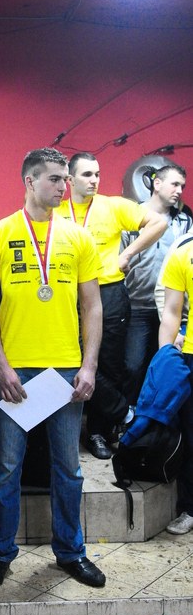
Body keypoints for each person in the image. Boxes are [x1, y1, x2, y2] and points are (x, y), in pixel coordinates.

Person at [0, 147, 105, 589]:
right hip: (16, 372)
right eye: (54, 179)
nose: (63, 186)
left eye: (65, 179)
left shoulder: (78, 238)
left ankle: (71, 552)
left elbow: (93, 307)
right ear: (30, 181)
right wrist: (1, 366)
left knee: (69, 468)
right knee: (7, 467)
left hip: (66, 373)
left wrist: (89, 366)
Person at [58, 152, 167, 460]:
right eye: (87, 175)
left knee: (109, 364)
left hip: (108, 291)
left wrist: (127, 254)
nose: (94, 180)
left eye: (97, 174)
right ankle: (122, 413)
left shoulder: (113, 206)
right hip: (68, 294)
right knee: (73, 359)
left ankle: (98, 432)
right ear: (70, 179)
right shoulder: (56, 211)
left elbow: (157, 223)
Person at [122, 164, 191, 405]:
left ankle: (159, 419)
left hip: (174, 309)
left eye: (182, 186)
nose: (179, 190)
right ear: (157, 184)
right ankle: (128, 416)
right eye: (175, 184)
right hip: (137, 305)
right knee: (133, 367)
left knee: (167, 366)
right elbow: (119, 259)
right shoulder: (131, 216)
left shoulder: (185, 222)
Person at [159, 235, 193, 535]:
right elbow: (171, 310)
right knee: (191, 436)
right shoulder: (185, 253)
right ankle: (189, 508)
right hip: (191, 354)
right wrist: (164, 357)